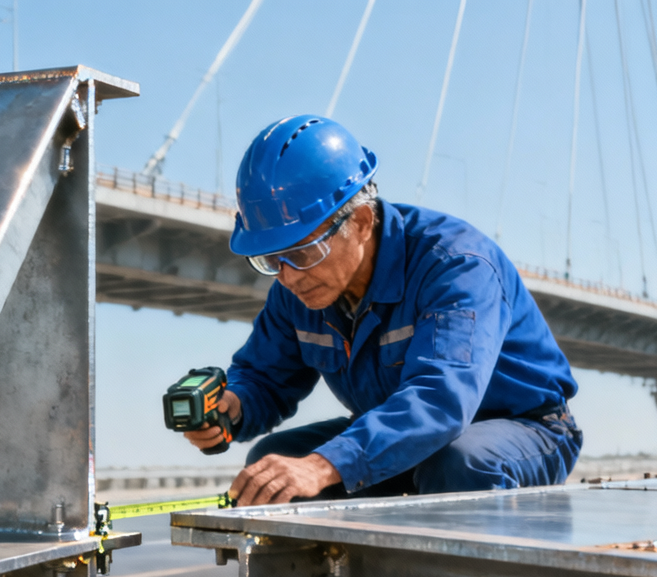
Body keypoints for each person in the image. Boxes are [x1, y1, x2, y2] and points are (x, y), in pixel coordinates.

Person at [183, 116, 582, 505]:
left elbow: (439, 399)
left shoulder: (455, 265)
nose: (286, 276)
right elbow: (264, 377)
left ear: (359, 222)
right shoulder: (299, 285)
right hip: (403, 435)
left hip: (525, 429)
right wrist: (233, 407)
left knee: (458, 465)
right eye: (271, 259)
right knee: (273, 468)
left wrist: (324, 465)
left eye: (301, 252)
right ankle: (326, 575)